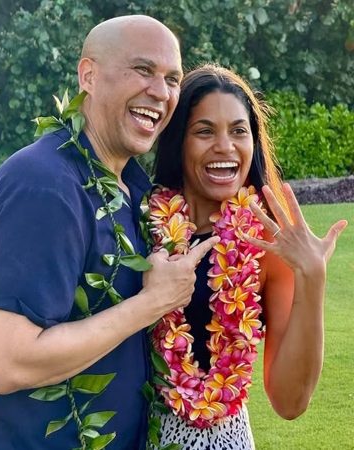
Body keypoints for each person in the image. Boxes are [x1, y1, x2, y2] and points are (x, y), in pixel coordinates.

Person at [0, 16, 219, 450]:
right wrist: (151, 303)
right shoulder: (45, 185)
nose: (161, 91)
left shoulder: (132, 188)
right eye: (143, 69)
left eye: (172, 78)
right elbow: (9, 364)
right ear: (88, 76)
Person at [149, 64, 347, 449]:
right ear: (178, 141)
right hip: (140, 438)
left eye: (239, 131)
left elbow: (290, 402)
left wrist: (312, 278)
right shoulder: (140, 227)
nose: (225, 146)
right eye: (205, 131)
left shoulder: (268, 245)